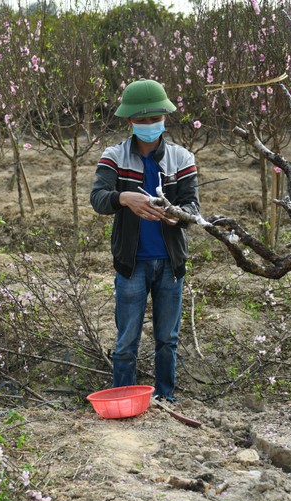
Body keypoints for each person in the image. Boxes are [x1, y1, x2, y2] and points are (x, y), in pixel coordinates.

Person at [90, 79, 200, 402]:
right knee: (126, 341)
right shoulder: (114, 157)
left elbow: (193, 208)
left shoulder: (182, 159)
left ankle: (165, 398)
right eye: (143, 120)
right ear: (130, 122)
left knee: (167, 338)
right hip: (132, 263)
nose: (150, 125)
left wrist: (175, 214)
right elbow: (98, 198)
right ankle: (123, 399)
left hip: (170, 263)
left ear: (164, 118)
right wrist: (125, 198)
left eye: (155, 119)